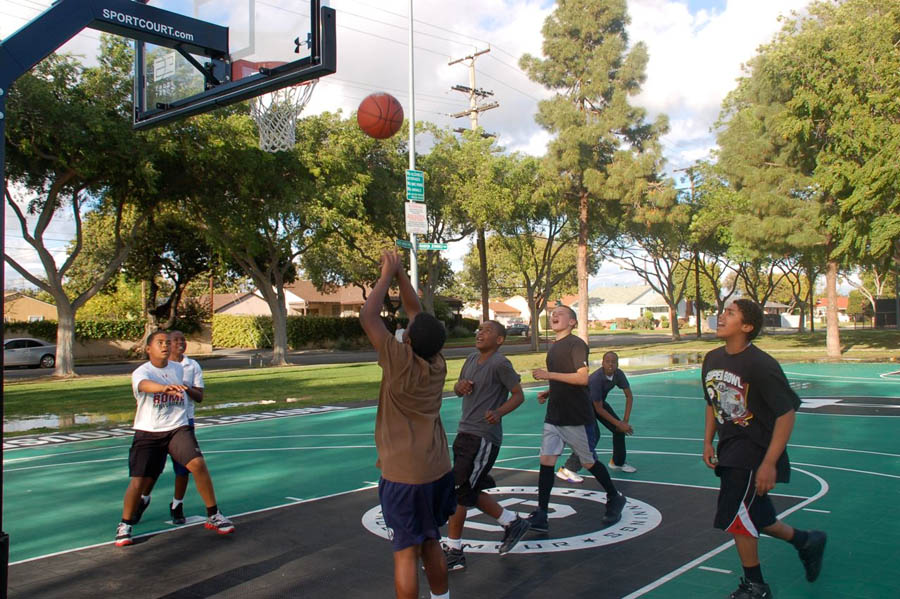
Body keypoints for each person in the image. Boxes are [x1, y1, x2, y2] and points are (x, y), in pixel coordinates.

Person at [702, 299, 826, 599]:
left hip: (754, 450)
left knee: (736, 512)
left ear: (746, 327)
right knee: (758, 517)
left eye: (730, 314)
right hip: (729, 445)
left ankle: (756, 586)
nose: (721, 317)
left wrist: (770, 462)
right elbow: (712, 402)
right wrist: (707, 440)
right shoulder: (712, 358)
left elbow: (786, 413)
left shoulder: (761, 364)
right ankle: (807, 541)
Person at [359, 251, 455, 599]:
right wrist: (401, 275)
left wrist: (387, 273)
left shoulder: (398, 361)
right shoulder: (438, 363)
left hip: (404, 475)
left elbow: (369, 316)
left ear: (409, 341)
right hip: (437, 469)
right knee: (431, 539)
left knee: (404, 551)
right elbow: (418, 315)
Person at [115, 330, 233, 547]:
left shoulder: (179, 368)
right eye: (160, 342)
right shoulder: (142, 372)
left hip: (177, 427)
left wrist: (183, 389)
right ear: (148, 348)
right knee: (139, 480)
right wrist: (164, 388)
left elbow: (196, 394)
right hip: (149, 431)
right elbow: (144, 386)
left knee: (198, 464)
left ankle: (214, 514)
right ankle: (125, 524)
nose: (165, 346)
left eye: (167, 343)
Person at [527, 306, 626, 533]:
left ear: (572, 322)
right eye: (553, 313)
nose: (554, 315)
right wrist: (550, 390)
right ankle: (541, 514)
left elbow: (582, 379)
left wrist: (548, 375)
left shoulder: (576, 344)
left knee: (588, 461)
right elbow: (565, 379)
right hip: (554, 415)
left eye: (560, 313)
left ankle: (614, 497)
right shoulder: (554, 348)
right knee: (546, 462)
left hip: (575, 417)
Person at [443, 320, 530, 571]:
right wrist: (459, 388)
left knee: (458, 490)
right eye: (479, 329)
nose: (480, 333)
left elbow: (518, 394)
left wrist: (499, 412)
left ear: (500, 340)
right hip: (464, 432)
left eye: (487, 331)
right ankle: (512, 522)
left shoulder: (500, 363)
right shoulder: (470, 359)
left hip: (482, 436)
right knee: (466, 490)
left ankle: (455, 549)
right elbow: (459, 389)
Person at [137, 330, 205, 525]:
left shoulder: (191, 366)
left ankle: (177, 504)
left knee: (184, 468)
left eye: (183, 339)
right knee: (154, 468)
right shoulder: (154, 368)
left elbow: (199, 397)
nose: (179, 343)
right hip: (157, 425)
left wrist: (185, 387)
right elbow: (145, 386)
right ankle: (144, 497)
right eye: (174, 340)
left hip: (183, 421)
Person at [558, 351, 636, 483]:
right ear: (602, 363)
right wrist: (618, 423)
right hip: (583, 406)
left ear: (617, 364)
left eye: (614, 362)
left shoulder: (618, 374)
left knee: (619, 430)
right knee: (592, 435)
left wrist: (625, 421)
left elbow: (629, 396)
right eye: (607, 361)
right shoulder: (596, 379)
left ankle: (617, 462)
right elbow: (598, 409)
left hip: (597, 403)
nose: (610, 364)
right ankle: (567, 470)